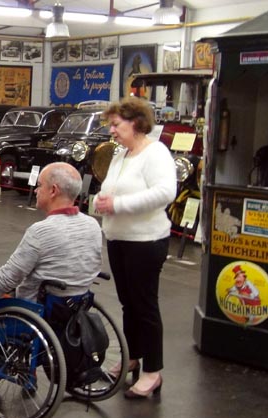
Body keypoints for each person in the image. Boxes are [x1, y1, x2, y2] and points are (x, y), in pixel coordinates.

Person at [93, 96, 176, 399]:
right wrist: (102, 202)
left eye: (115, 125)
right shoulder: (121, 155)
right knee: (129, 304)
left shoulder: (155, 153)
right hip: (120, 241)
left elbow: (166, 192)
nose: (111, 131)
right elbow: (109, 189)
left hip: (146, 242)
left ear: (136, 123)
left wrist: (118, 204)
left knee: (145, 307)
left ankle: (153, 372)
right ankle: (132, 357)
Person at [0, 162, 102, 332]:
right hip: (74, 305)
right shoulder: (92, 225)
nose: (36, 191)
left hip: (37, 310)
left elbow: (8, 277)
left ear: (53, 190)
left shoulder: (41, 231)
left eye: (39, 186)